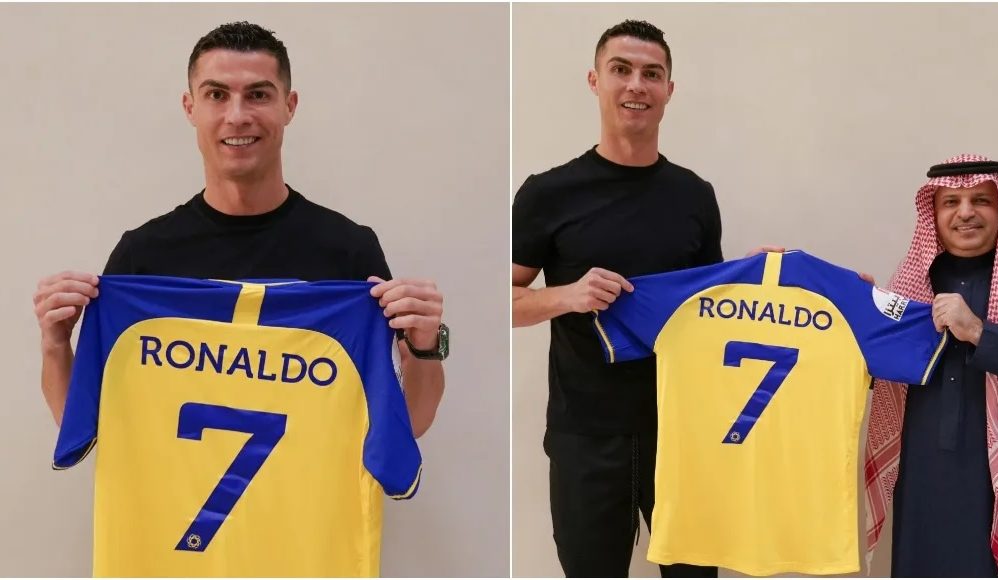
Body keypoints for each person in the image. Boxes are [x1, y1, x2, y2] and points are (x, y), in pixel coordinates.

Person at [32, 22, 447, 437]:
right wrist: (55, 344)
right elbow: (87, 426)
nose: (237, 116)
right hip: (173, 484)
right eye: (216, 95)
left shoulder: (349, 250)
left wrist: (425, 345)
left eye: (258, 95)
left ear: (289, 106)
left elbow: (408, 424)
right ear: (190, 107)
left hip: (312, 484)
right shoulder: (143, 255)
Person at [513, 19, 778, 577]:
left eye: (652, 74)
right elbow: (500, 300)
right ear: (595, 80)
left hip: (683, 429)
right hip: (586, 432)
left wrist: (761, 277)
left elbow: (708, 310)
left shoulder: (694, 195)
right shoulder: (547, 193)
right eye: (621, 70)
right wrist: (567, 296)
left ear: (669, 90)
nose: (637, 84)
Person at [864, 154, 998, 577]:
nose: (965, 212)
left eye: (981, 200)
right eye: (951, 201)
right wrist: (860, 314)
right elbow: (872, 375)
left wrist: (978, 332)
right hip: (923, 473)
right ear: (933, 212)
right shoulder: (911, 287)